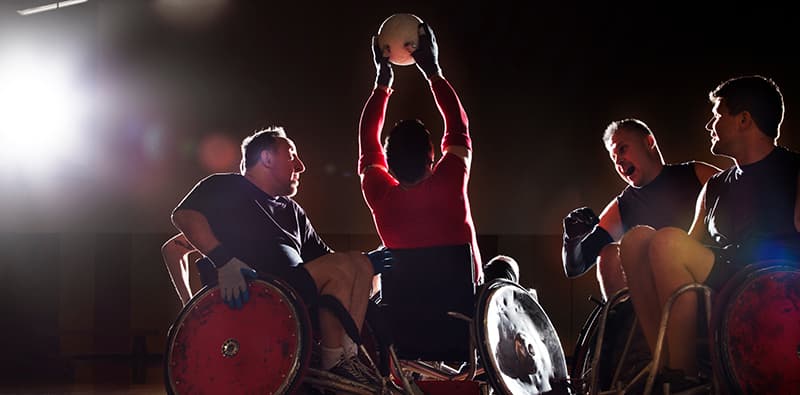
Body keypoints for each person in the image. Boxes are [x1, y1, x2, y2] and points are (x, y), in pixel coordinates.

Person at [171, 127, 389, 387]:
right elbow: (183, 216)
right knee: (347, 264)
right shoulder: (225, 186)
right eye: (292, 155)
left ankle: (347, 359)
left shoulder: (293, 211)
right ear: (267, 159)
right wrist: (224, 261)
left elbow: (332, 261)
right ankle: (336, 363)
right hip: (258, 294)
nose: (301, 166)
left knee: (358, 263)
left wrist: (369, 264)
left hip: (291, 294)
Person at [619, 75, 800, 382]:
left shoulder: (794, 169)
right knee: (636, 240)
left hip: (769, 286)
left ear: (744, 120)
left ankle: (683, 376)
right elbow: (684, 250)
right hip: (720, 280)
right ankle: (663, 368)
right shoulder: (715, 185)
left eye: (718, 116)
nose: (710, 126)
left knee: (666, 243)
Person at [358, 22, 484, 286]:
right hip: (463, 315)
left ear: (387, 164)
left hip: (405, 316)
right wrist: (432, 70)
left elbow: (368, 139)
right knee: (506, 266)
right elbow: (459, 124)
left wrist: (382, 84)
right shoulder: (450, 181)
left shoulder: (378, 193)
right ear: (432, 154)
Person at [562, 119, 720, 299]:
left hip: (706, 277)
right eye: (614, 159)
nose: (619, 161)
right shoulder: (622, 206)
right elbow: (575, 267)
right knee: (609, 255)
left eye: (622, 149)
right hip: (654, 299)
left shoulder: (697, 174)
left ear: (649, 142)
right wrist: (572, 240)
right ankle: (624, 323)